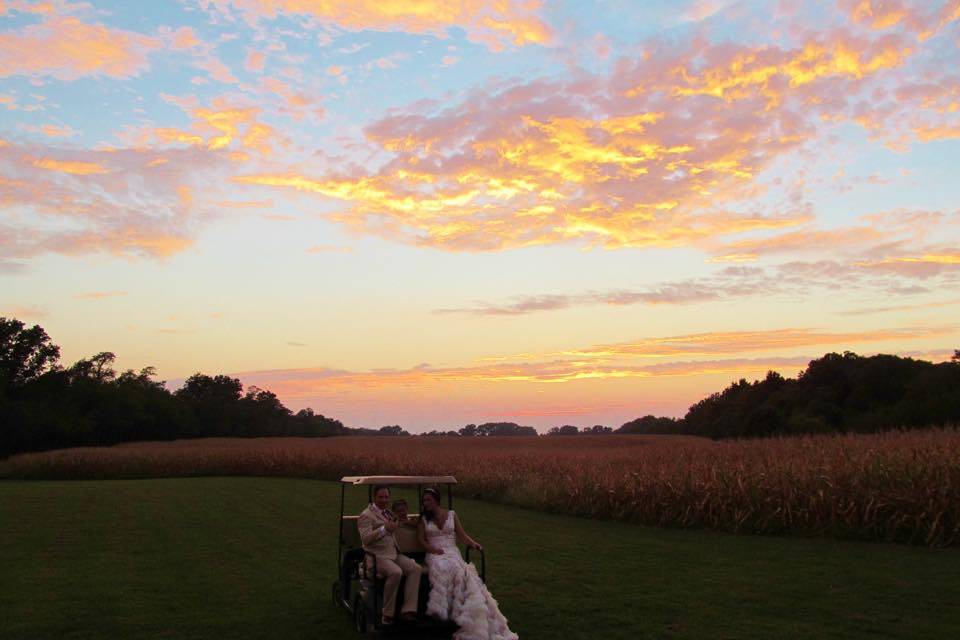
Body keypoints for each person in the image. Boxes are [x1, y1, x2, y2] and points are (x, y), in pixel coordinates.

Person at [417, 488, 518, 640]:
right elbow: (421, 540)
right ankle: (448, 611)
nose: (425, 503)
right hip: (434, 553)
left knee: (460, 570)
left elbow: (462, 535)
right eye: (424, 501)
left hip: (452, 551)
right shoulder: (423, 519)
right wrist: (433, 549)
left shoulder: (451, 514)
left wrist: (473, 544)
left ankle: (463, 611)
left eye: (428, 500)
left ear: (437, 500)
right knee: (445, 567)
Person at [358, 485, 422, 625]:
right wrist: (383, 529)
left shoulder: (387, 513)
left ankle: (408, 610)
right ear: (374, 497)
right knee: (396, 572)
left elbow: (399, 523)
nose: (384, 500)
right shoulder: (366, 515)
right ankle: (387, 614)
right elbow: (366, 539)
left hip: (393, 554)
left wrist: (417, 523)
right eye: (381, 497)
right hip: (376, 556)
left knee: (415, 569)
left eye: (386, 497)